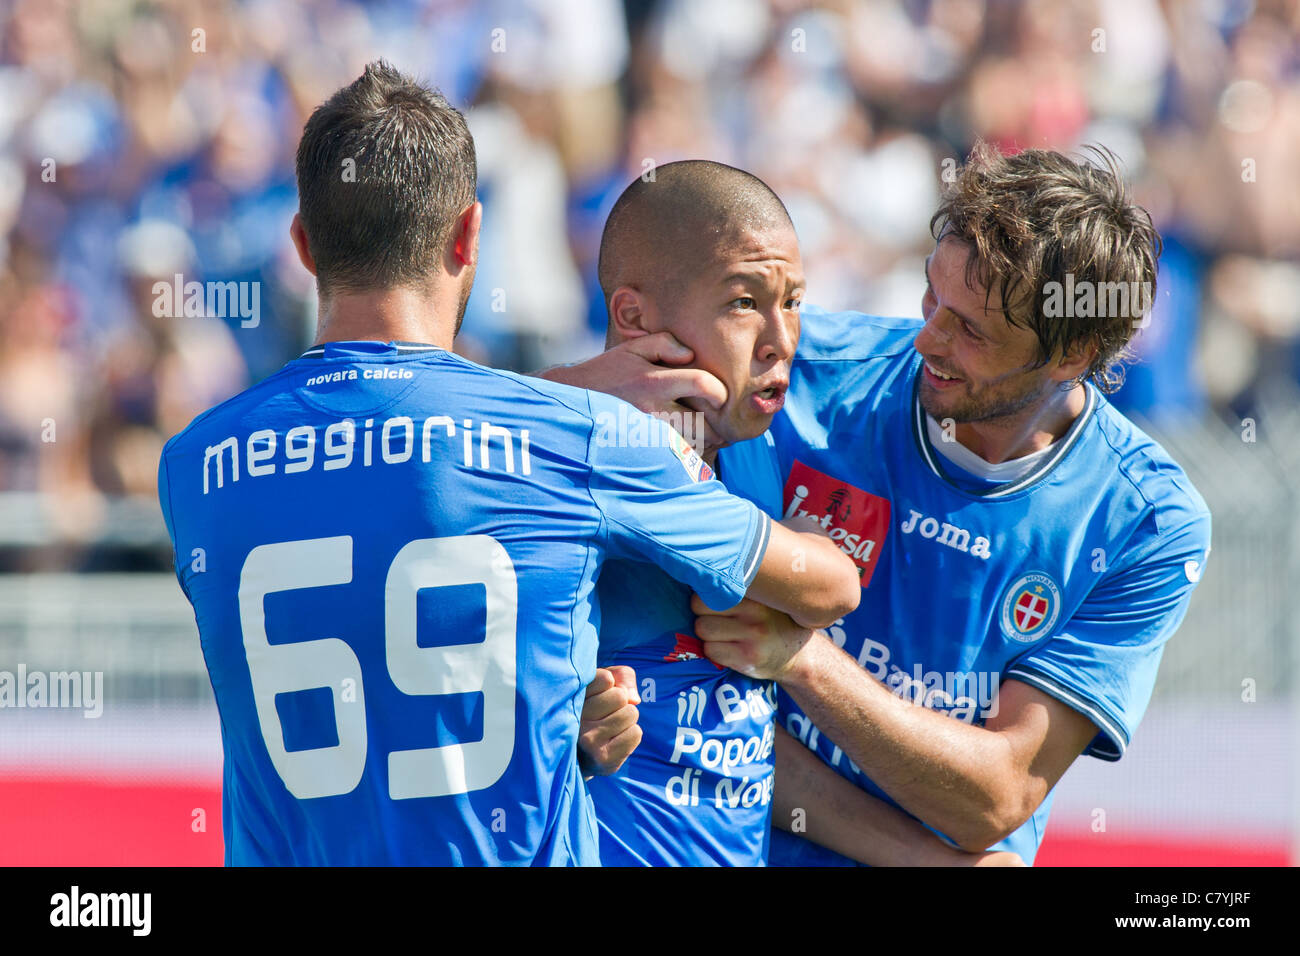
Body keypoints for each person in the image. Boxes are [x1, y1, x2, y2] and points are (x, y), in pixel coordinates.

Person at [156, 62, 860, 866]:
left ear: (303, 245)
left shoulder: (197, 465)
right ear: (469, 237)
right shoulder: (576, 438)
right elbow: (826, 585)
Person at [570, 144, 1210, 866]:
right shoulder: (791, 373)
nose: (928, 338)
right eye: (932, 296)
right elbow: (526, 426)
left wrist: (804, 660)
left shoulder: (1146, 522)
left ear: (1072, 354)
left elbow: (993, 801)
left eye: (972, 330)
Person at [552, 160, 1026, 867]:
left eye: (795, 300)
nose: (783, 338)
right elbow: (831, 585)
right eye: (744, 302)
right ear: (633, 318)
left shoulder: (751, 448)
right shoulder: (585, 457)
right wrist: (559, 724)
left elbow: (759, 757)